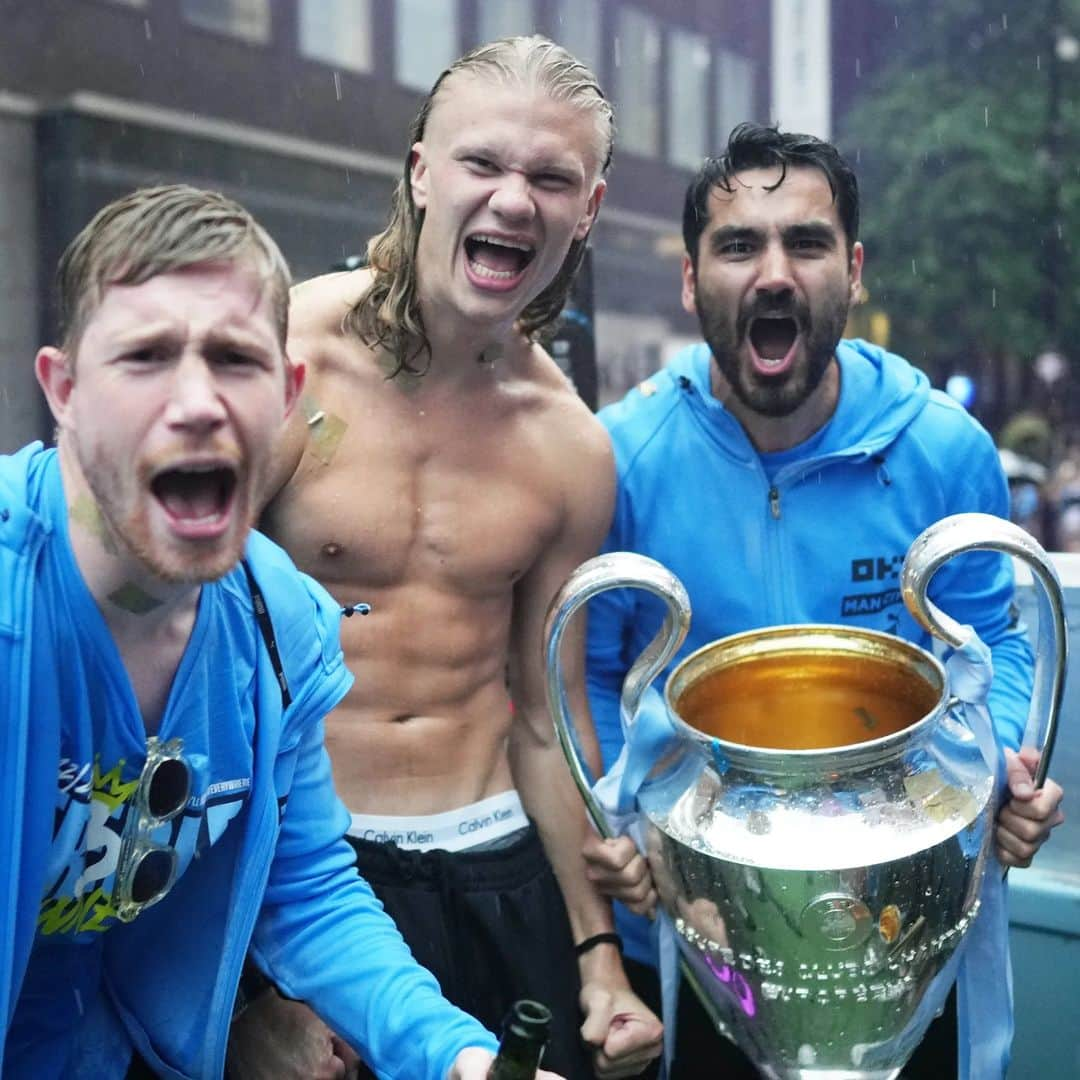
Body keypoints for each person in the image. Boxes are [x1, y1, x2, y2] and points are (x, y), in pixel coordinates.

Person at [0, 183, 563, 1080]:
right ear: (64, 392)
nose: (198, 402)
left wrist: (458, 1057)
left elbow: (305, 894)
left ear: (288, 395)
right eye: (146, 356)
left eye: (234, 359)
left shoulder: (281, 626)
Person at [581, 123, 1066, 1079]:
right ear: (690, 281)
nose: (773, 273)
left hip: (904, 921)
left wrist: (995, 776)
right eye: (737, 245)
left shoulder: (943, 448)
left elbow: (995, 645)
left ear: (853, 271)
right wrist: (626, 822)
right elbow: (596, 670)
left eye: (805, 243)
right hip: (710, 938)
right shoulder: (620, 456)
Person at [236, 35, 663, 1080]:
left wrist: (600, 960)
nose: (514, 200)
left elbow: (543, 715)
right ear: (422, 169)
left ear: (590, 209)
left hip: (497, 875)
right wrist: (248, 985)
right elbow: (184, 650)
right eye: (484, 164)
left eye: (551, 177)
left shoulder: (571, 446)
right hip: (307, 880)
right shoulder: (286, 359)